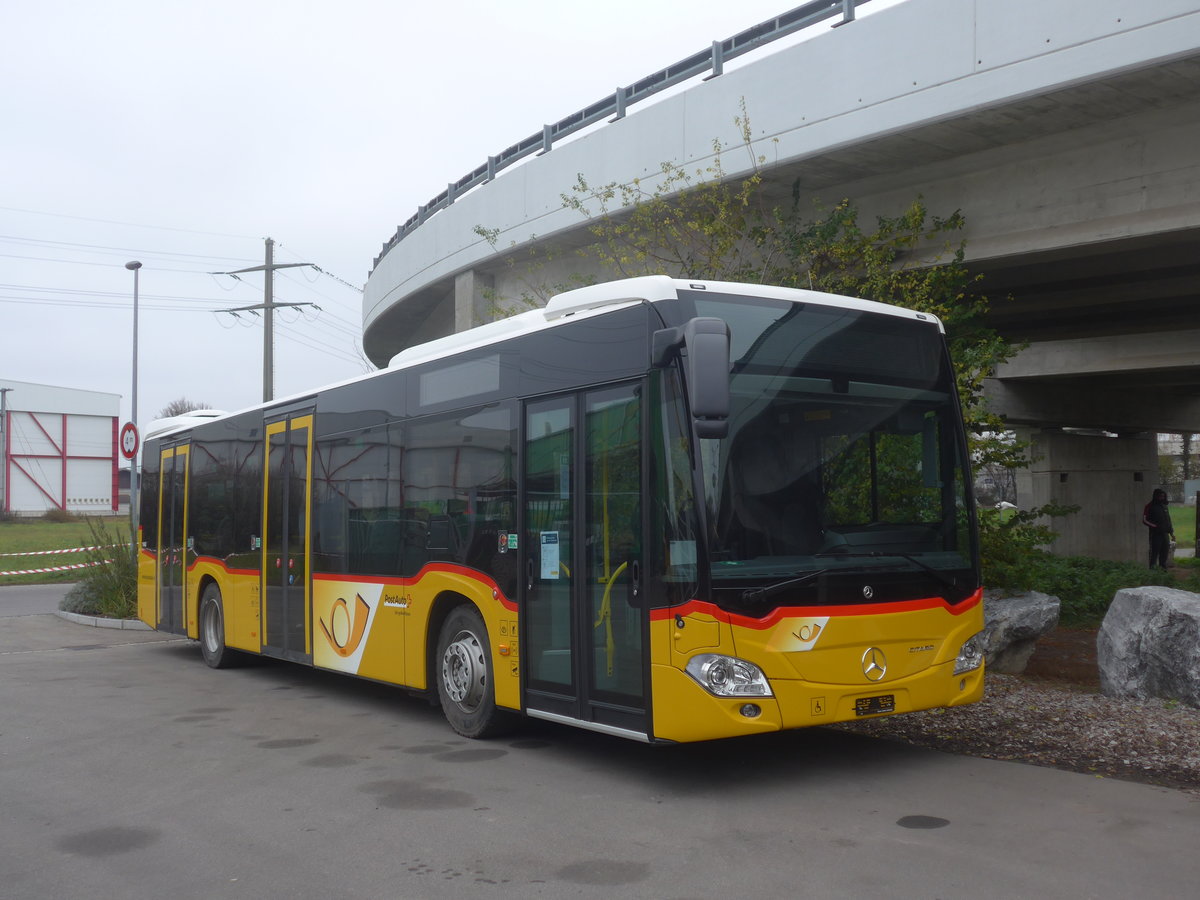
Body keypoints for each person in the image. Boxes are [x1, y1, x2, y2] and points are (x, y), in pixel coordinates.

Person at [1142, 488, 1175, 568]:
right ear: (1156, 496)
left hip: (1165, 534)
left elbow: (1168, 520)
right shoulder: (1149, 506)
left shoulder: (1164, 506)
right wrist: (1155, 527)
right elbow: (1145, 520)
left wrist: (1171, 533)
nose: (1162, 498)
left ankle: (1162, 570)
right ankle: (1152, 571)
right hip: (1155, 535)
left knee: (1164, 553)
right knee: (1154, 553)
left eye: (1163, 496)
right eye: (1160, 496)